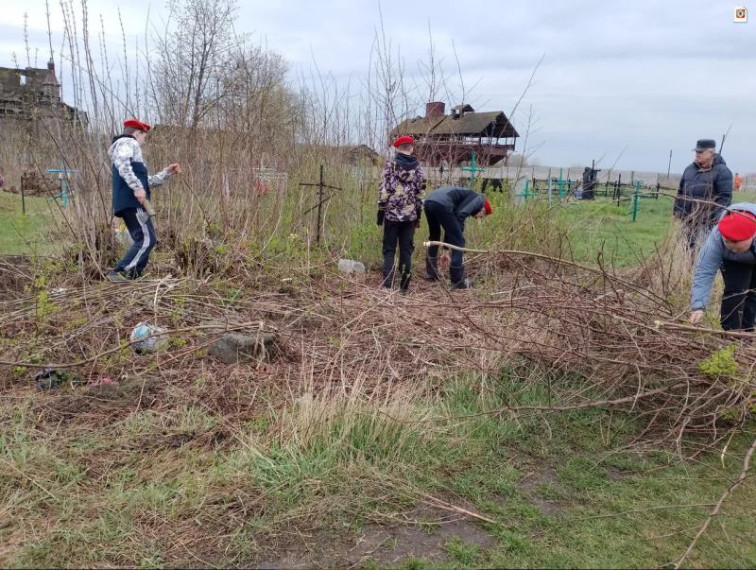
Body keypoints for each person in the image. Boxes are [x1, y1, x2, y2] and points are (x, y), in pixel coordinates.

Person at [107, 118, 181, 282]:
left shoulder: (131, 151)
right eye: (144, 137)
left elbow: (147, 181)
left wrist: (166, 173)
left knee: (144, 239)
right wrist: (137, 187)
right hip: (133, 203)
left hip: (130, 203)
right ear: (138, 133)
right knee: (148, 239)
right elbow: (123, 164)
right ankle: (118, 272)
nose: (144, 142)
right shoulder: (127, 142)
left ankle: (133, 275)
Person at [690, 204, 756, 331]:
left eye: (736, 242)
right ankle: (730, 335)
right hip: (733, 264)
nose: (731, 247)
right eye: (727, 241)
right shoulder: (717, 236)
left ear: (752, 235)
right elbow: (705, 271)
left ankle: (747, 333)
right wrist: (698, 306)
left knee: (753, 293)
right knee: (735, 292)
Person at [377, 135, 426, 292]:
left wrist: (381, 210)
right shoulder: (418, 168)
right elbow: (420, 193)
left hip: (391, 214)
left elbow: (384, 190)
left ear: (397, 148)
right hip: (409, 215)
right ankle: (404, 288)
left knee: (389, 249)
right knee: (406, 250)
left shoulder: (390, 166)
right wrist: (418, 215)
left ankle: (387, 285)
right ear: (411, 148)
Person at [423, 186, 492, 289]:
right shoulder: (478, 199)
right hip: (442, 203)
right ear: (483, 209)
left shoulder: (466, 198)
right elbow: (460, 215)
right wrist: (458, 239)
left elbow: (450, 225)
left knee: (434, 236)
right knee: (459, 240)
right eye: (481, 216)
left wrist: (445, 251)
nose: (478, 218)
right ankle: (457, 280)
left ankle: (430, 274)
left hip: (429, 201)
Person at [673, 139, 733, 250]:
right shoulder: (689, 169)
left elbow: (724, 199)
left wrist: (714, 221)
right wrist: (678, 211)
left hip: (706, 225)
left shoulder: (722, 172)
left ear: (711, 152)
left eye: (701, 152)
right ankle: (688, 268)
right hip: (688, 221)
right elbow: (680, 192)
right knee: (687, 251)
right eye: (696, 152)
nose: (697, 154)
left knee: (703, 253)